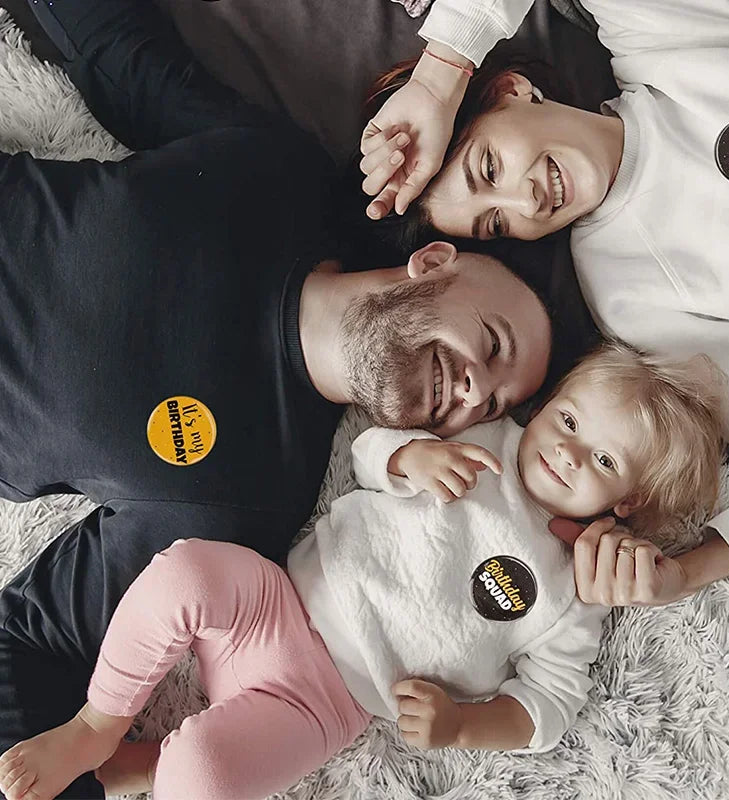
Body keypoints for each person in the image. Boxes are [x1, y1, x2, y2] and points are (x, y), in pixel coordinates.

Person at [0, 1, 553, 797]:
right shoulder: (281, 176)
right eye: (492, 345)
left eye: (491, 406)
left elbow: (26, 638)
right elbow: (122, 63)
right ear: (436, 262)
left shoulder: (246, 503)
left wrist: (119, 768)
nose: (471, 392)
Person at [0, 342, 726, 800]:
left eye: (603, 459)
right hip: (277, 600)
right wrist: (411, 457)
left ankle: (156, 766)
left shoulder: (578, 588)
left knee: (207, 777)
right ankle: (96, 724)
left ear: (628, 503)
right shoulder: (487, 439)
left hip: (325, 703)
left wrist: (462, 728)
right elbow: (366, 451)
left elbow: (549, 707)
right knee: (185, 570)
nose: (568, 451)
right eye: (568, 420)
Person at [360, 0, 729, 607]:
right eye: (496, 224)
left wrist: (437, 82)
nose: (526, 203)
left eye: (489, 167)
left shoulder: (662, 41)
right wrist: (685, 574)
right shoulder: (628, 297)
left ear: (513, 91)